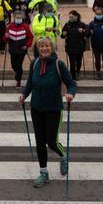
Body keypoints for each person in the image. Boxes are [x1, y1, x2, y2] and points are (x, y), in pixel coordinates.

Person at [18, 37, 76, 188]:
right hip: (36, 108)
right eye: (41, 46)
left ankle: (63, 157)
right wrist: (24, 95)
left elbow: (71, 83)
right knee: (39, 142)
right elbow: (30, 82)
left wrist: (70, 94)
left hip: (54, 109)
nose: (44, 49)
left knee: (51, 142)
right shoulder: (34, 63)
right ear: (38, 48)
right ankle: (44, 173)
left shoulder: (59, 64)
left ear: (52, 48)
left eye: (47, 46)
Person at [4, 9, 33, 88]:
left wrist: (27, 45)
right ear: (14, 17)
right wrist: (6, 37)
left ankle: (18, 80)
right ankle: (18, 73)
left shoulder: (25, 26)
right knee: (13, 65)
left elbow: (30, 37)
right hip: (13, 49)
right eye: (17, 18)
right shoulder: (10, 26)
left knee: (19, 64)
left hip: (22, 49)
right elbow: (5, 38)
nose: (19, 19)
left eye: (20, 18)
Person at [60, 10, 88, 80]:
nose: (70, 18)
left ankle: (77, 72)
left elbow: (88, 34)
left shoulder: (82, 24)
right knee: (72, 62)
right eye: (69, 17)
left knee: (78, 62)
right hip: (70, 47)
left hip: (80, 47)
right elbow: (62, 35)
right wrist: (63, 34)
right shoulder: (67, 25)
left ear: (76, 16)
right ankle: (72, 76)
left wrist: (83, 31)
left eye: (72, 17)